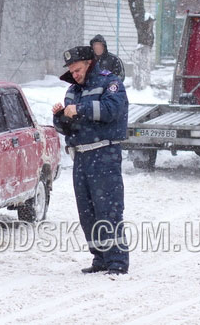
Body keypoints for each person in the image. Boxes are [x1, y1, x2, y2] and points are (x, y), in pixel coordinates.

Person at [52, 45, 130, 275]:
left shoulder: (110, 82)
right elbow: (68, 127)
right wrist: (60, 118)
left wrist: (80, 109)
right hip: (81, 156)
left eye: (77, 70)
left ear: (89, 64)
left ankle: (117, 261)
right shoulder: (73, 90)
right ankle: (100, 258)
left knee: (108, 209)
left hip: (103, 154)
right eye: (71, 71)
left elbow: (112, 109)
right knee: (87, 212)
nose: (74, 75)